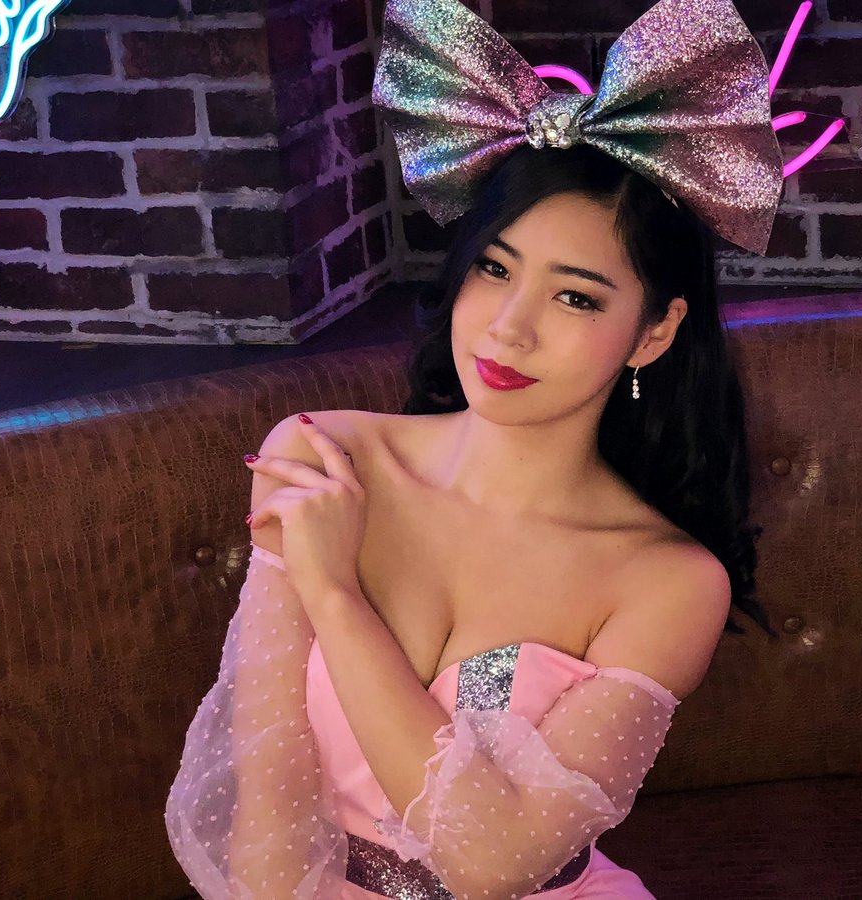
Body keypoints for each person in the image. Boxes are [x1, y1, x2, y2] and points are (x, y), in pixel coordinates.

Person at [165, 0, 784, 896]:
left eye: (575, 297)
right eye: (493, 269)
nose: (508, 329)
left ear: (653, 332)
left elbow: (490, 863)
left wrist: (336, 594)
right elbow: (268, 804)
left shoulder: (672, 583)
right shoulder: (321, 456)